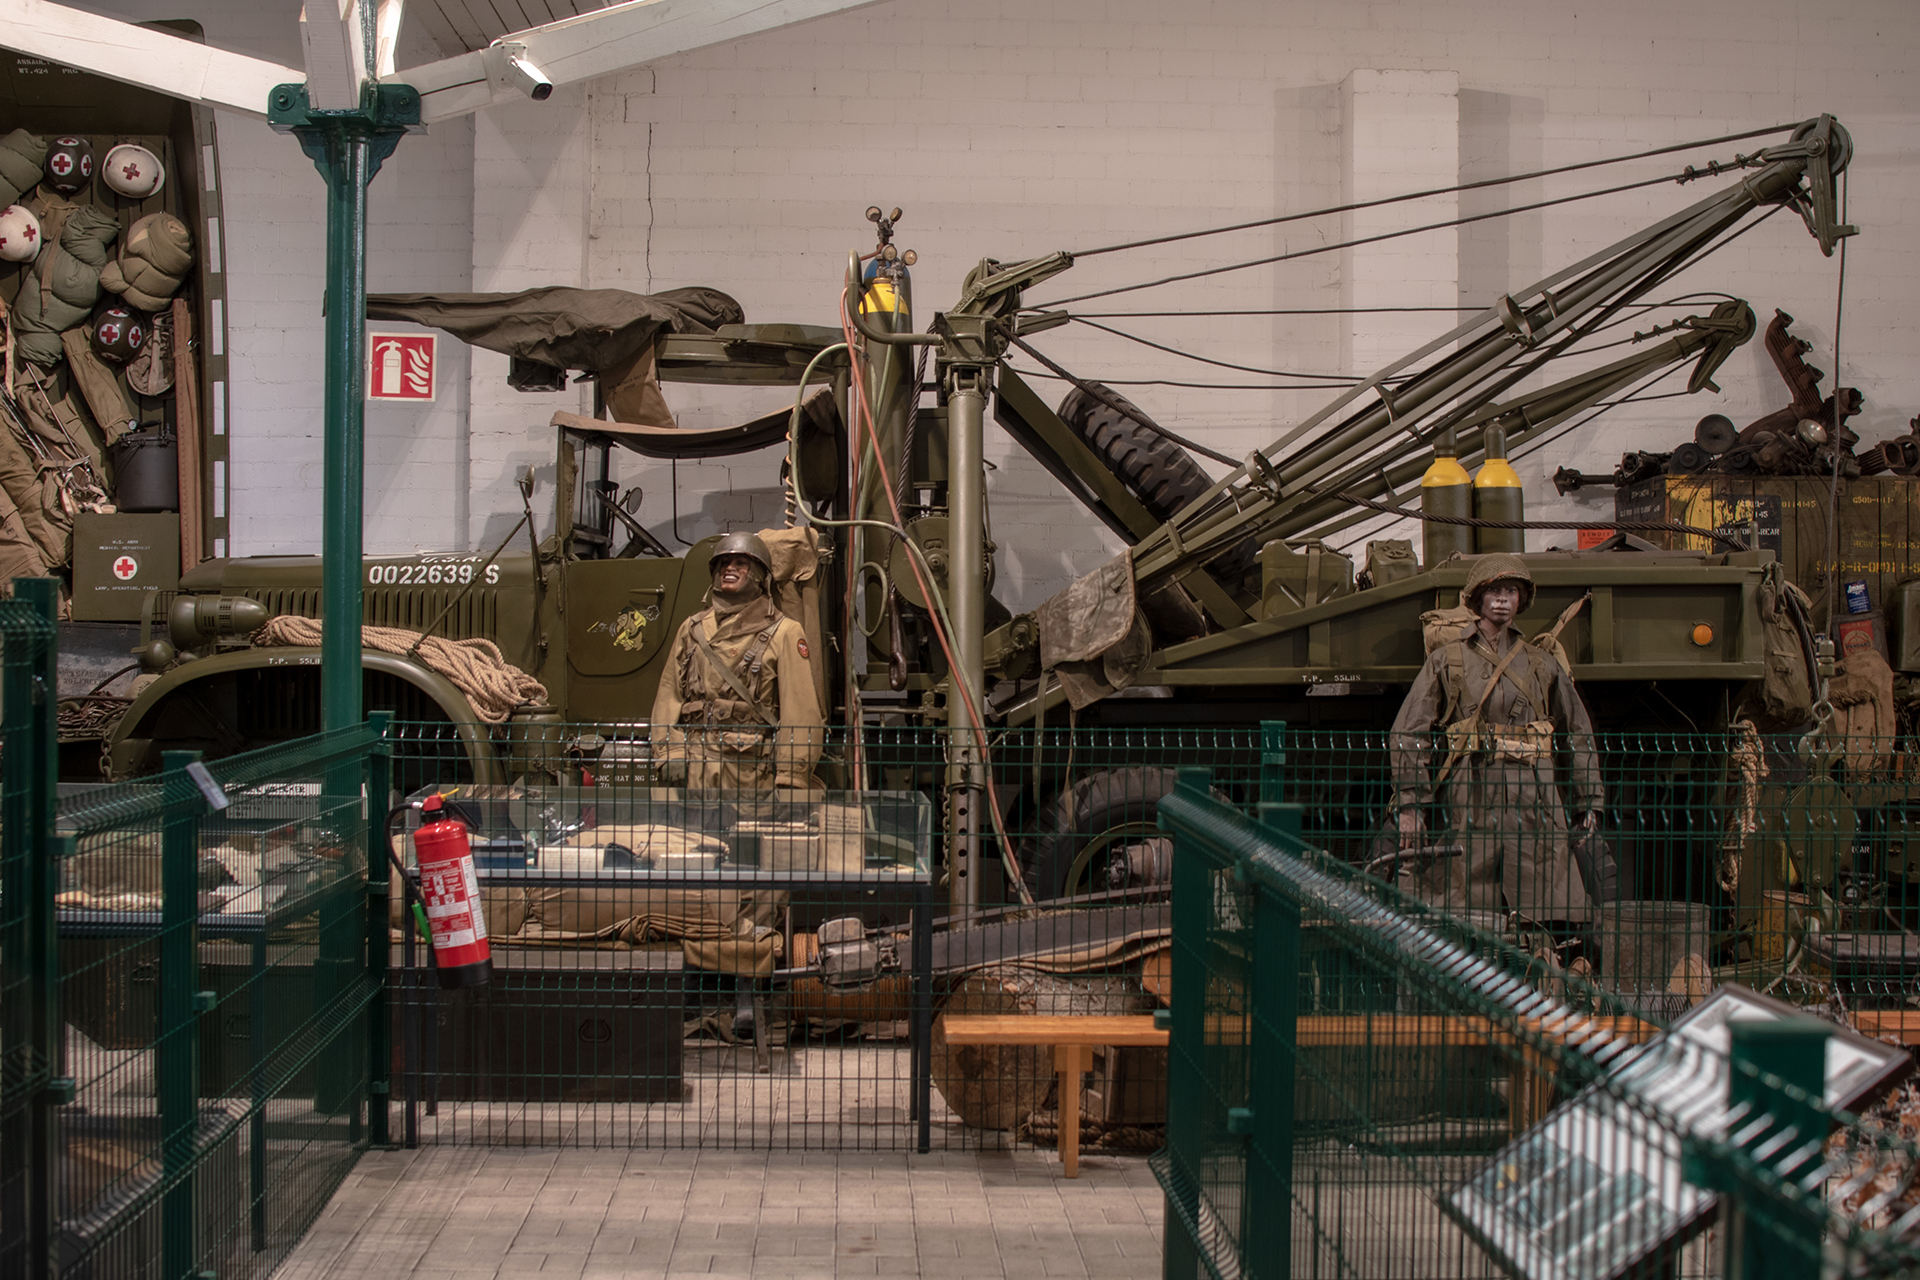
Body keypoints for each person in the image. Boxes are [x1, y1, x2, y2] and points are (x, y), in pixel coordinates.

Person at [1389, 554, 1603, 924]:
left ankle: (1535, 960)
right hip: (1469, 789)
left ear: (1521, 599)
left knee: (1540, 894)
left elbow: (1578, 732)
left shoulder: (1542, 664)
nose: (1503, 599)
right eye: (1494, 591)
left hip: (1534, 794)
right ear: (1478, 599)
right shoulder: (1447, 661)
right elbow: (1409, 730)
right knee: (1457, 893)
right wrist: (1410, 804)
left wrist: (1589, 799)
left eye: (1511, 591)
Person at [651, 531, 826, 791]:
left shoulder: (784, 632)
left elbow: (800, 713)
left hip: (750, 778)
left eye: (741, 563)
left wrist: (792, 776)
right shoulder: (692, 629)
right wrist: (670, 751)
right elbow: (668, 695)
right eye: (723, 563)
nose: (729, 569)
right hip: (693, 774)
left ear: (758, 574)